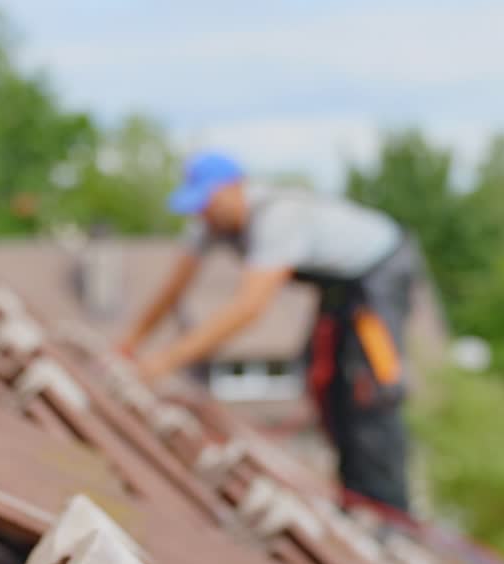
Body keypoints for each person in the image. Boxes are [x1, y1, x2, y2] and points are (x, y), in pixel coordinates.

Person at [116, 152, 422, 514]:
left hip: (380, 274)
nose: (203, 214)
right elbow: (172, 289)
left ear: (234, 188)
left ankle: (389, 513)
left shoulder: (277, 218)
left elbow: (249, 307)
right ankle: (355, 499)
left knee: (367, 386)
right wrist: (129, 345)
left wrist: (166, 361)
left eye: (208, 202)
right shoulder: (209, 226)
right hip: (339, 289)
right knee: (324, 379)